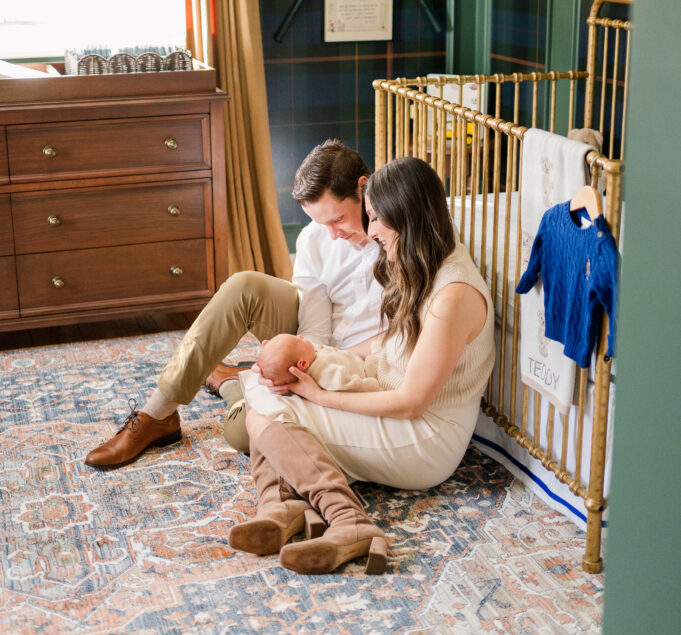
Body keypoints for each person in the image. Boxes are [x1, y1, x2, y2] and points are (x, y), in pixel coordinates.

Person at [228, 156, 496, 576]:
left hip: (425, 439)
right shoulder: (423, 260)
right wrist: (319, 359)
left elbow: (411, 403)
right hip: (391, 401)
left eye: (376, 218)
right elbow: (392, 342)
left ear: (406, 216)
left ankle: (346, 520)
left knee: (267, 410)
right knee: (266, 389)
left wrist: (319, 395)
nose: (371, 232)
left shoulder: (452, 296)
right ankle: (282, 507)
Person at [84, 140, 383, 470]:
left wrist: (320, 376)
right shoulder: (315, 238)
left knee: (242, 434)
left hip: (365, 361)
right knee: (244, 287)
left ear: (363, 188)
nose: (333, 235)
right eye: (321, 223)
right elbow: (314, 327)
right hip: (317, 349)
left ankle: (234, 381)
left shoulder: (404, 234)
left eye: (338, 219)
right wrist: (300, 366)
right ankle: (156, 415)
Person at [255, 334, 381, 391]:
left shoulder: (309, 356)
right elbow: (350, 384)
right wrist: (371, 385)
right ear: (302, 364)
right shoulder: (324, 373)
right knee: (379, 356)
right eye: (300, 341)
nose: (300, 336)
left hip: (357, 358)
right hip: (364, 371)